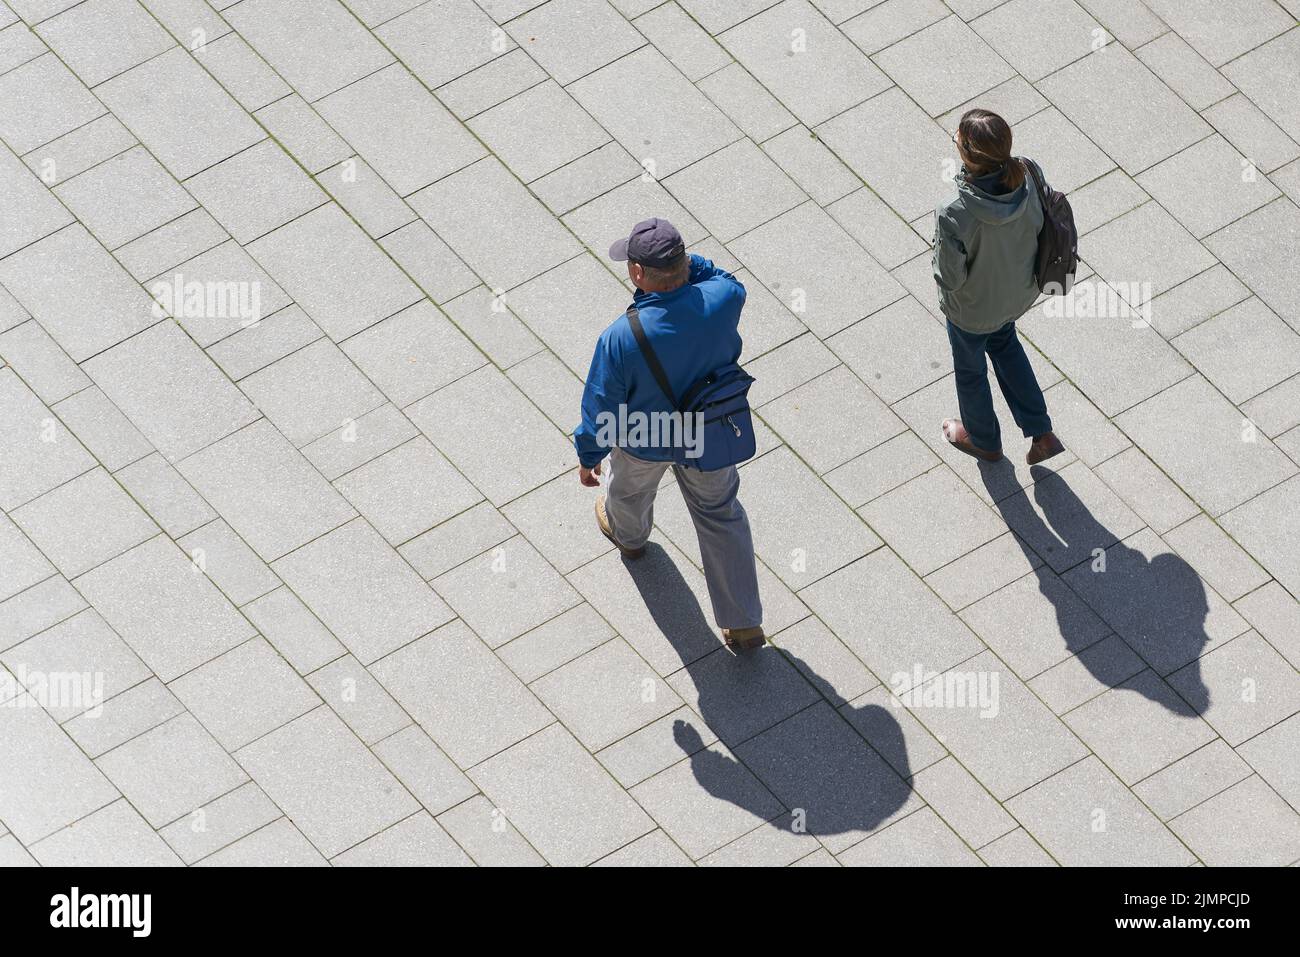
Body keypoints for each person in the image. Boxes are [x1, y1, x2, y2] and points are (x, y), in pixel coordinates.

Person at [573, 218, 765, 652]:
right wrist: (684, 264)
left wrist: (589, 454)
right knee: (720, 514)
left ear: (638, 273)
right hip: (710, 429)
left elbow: (601, 404)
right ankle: (743, 622)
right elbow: (721, 275)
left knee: (627, 493)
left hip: (647, 435)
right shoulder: (724, 299)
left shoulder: (621, 337)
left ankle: (631, 539)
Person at [934, 108, 1065, 466]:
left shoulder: (954, 211)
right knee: (1006, 345)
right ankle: (1041, 431)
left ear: (967, 155)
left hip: (973, 309)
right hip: (1018, 292)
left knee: (970, 369)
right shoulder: (1028, 174)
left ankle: (983, 440)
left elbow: (950, 278)